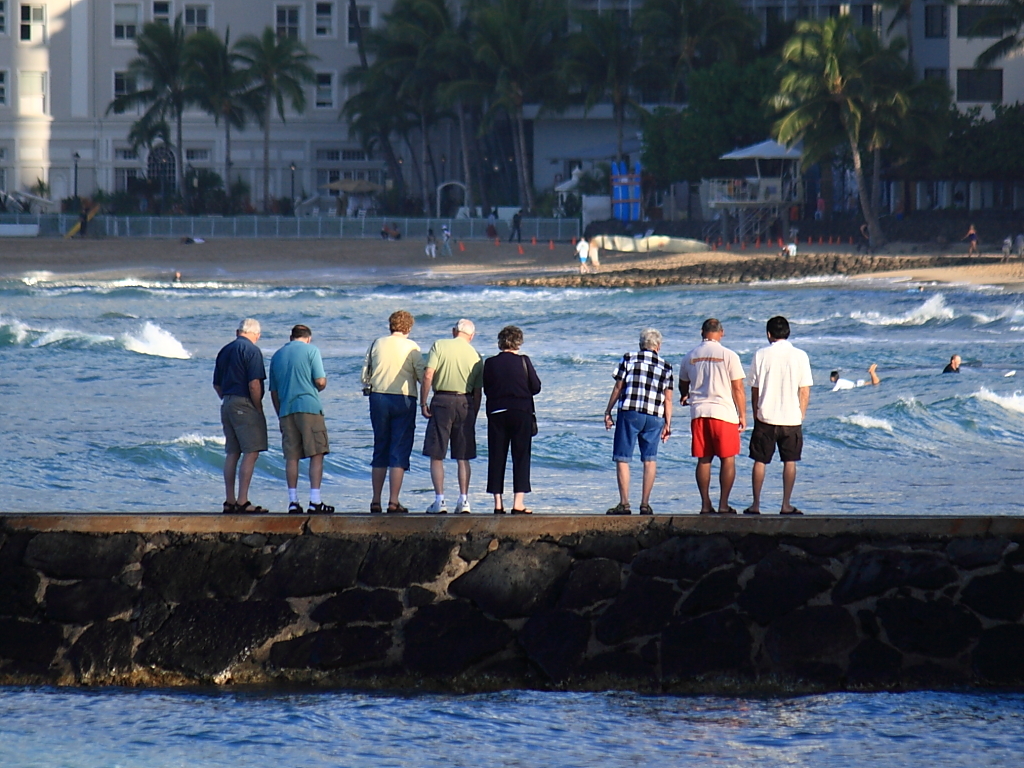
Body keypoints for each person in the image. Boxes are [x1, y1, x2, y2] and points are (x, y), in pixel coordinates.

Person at [745, 316, 813, 516]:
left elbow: (755, 389)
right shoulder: (800, 355)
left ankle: (756, 504)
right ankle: (785, 504)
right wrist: (801, 414)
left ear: (769, 334)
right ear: (788, 332)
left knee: (760, 461)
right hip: (791, 417)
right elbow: (804, 390)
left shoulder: (761, 354)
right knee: (789, 461)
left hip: (766, 415)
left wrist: (756, 410)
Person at [679, 318, 746, 515]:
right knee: (727, 459)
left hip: (699, 412)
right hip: (723, 412)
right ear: (721, 332)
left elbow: (683, 383)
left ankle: (705, 503)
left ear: (702, 332)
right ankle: (724, 504)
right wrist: (742, 414)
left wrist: (685, 395)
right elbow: (738, 388)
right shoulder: (729, 355)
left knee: (704, 459)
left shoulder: (690, 355)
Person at [604, 328, 674, 515]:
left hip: (630, 411)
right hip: (654, 415)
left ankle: (624, 503)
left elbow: (619, 386)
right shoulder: (666, 367)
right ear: (658, 347)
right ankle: (645, 504)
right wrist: (668, 423)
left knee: (623, 457)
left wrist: (608, 410)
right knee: (650, 459)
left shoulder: (628, 358)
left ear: (641, 344)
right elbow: (668, 398)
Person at [362, 310, 425, 514]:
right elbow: (421, 375)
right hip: (404, 398)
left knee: (380, 445)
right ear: (409, 327)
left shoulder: (376, 343)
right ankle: (393, 501)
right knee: (399, 447)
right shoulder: (412, 347)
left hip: (378, 397)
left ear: (390, 325)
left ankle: (375, 500)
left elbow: (365, 374)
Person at [269, 324, 334, 514]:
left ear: (291, 337)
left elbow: (273, 391)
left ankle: (293, 501)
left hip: (286, 410)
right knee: (317, 453)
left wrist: (279, 412)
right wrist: (320, 387)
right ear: (308, 338)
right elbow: (320, 380)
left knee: (292, 457)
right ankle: (315, 500)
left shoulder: (277, 355)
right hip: (309, 407)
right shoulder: (311, 350)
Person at [421, 319, 484, 514]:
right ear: (471, 336)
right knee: (463, 456)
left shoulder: (440, 345)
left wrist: (423, 402)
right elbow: (477, 390)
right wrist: (474, 410)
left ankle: (440, 500)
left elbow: (428, 374)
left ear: (453, 331)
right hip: (465, 402)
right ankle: (464, 500)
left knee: (437, 453)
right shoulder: (476, 356)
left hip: (442, 400)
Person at [483, 325, 542, 515]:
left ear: (501, 342)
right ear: (518, 342)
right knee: (521, 456)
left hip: (496, 412)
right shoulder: (524, 361)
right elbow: (536, 387)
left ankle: (498, 503)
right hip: (520, 412)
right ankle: (518, 503)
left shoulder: (490, 363)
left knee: (496, 456)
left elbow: (487, 388)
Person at [213, 318, 269, 514]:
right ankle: (243, 500)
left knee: (232, 452)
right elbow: (254, 383)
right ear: (256, 334)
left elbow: (216, 384)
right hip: (244, 402)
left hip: (227, 402)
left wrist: (227, 398)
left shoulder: (224, 350)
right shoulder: (252, 351)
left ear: (238, 332)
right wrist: (258, 406)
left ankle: (229, 500)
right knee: (251, 451)